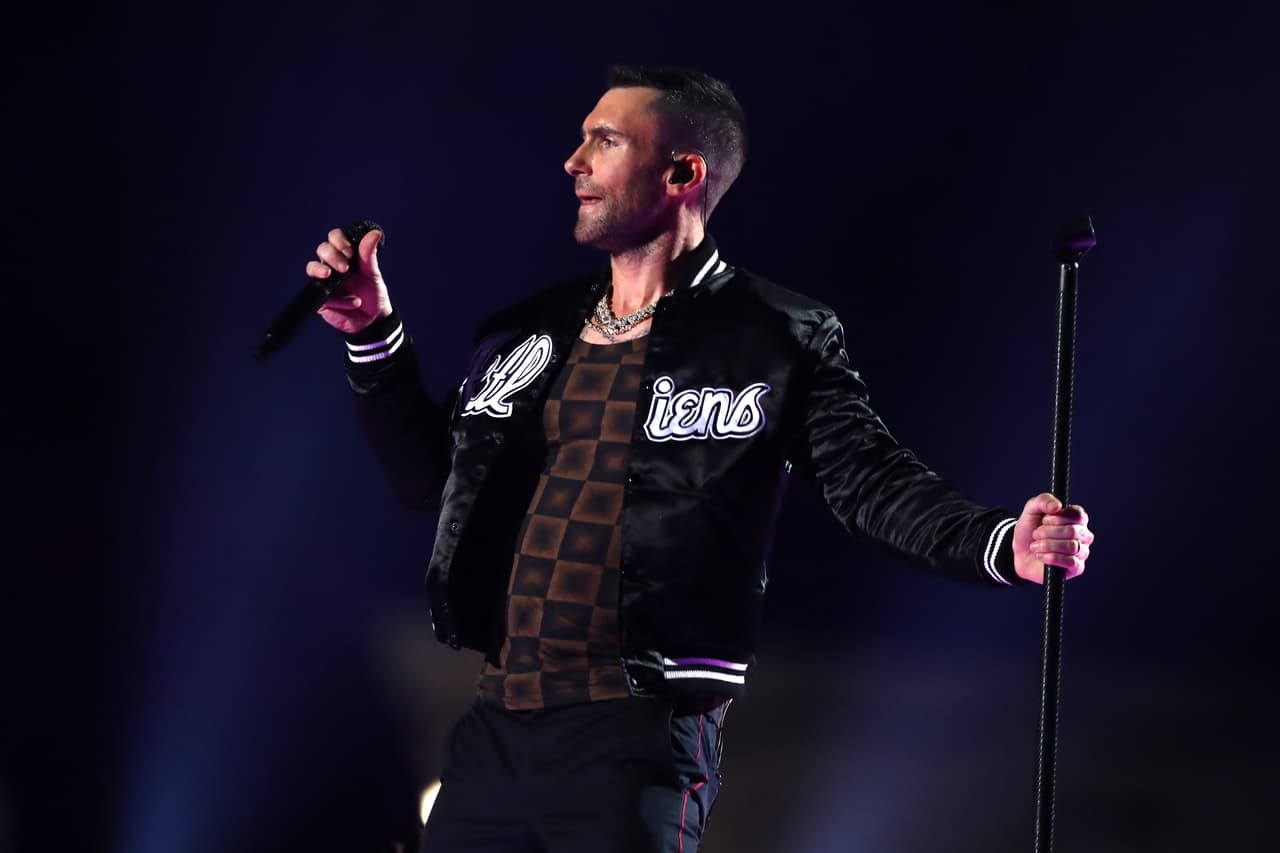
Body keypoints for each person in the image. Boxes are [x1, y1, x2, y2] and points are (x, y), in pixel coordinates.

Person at [303, 66, 1094, 853]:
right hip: (494, 728)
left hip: (638, 733)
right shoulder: (527, 332)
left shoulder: (774, 334)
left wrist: (997, 542)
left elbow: (869, 480)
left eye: (604, 141)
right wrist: (372, 337)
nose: (573, 162)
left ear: (683, 172)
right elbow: (429, 481)